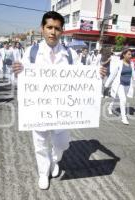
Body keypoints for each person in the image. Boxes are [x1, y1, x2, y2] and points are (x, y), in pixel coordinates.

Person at [12, 11, 106, 190]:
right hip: (38, 109)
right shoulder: (31, 52)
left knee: (62, 144)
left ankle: (55, 160)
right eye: (49, 27)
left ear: (62, 31)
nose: (52, 32)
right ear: (42, 29)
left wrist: (97, 75)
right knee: (40, 144)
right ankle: (43, 172)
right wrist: (16, 72)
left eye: (57, 28)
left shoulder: (70, 54)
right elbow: (21, 80)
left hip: (62, 111)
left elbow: (82, 77)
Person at [104, 49, 135, 125]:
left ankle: (110, 107)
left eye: (131, 54)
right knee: (123, 100)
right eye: (128, 54)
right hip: (120, 84)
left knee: (117, 98)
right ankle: (123, 117)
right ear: (124, 55)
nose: (130, 56)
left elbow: (134, 74)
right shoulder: (119, 63)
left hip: (127, 85)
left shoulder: (131, 64)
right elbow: (112, 75)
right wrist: (106, 85)